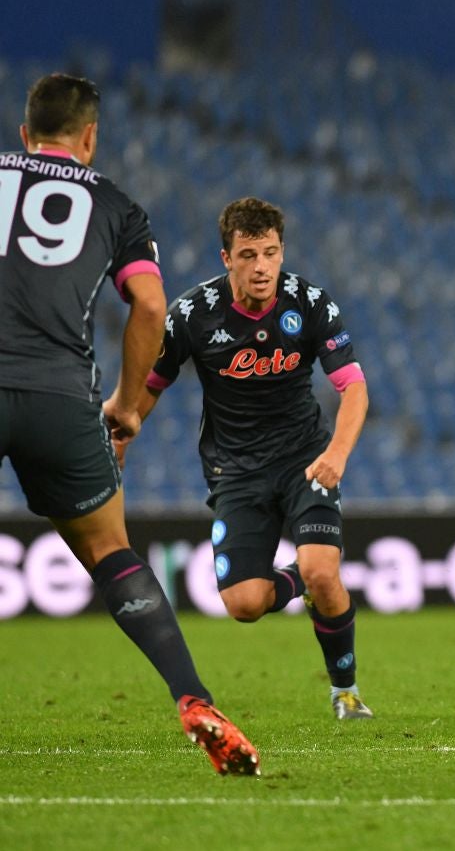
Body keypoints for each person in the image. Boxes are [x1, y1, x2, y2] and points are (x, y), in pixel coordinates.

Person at [0, 74, 259, 774]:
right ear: (89, 138)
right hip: (61, 397)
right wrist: (125, 404)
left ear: (24, 134)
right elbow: (150, 306)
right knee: (111, 551)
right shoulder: (114, 205)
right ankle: (194, 699)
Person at [121, 197, 374, 720]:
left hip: (306, 460)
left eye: (271, 253)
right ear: (226, 258)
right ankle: (300, 580)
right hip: (235, 470)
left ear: (282, 252)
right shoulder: (192, 314)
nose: (262, 267)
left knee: (323, 572)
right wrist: (122, 438)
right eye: (249, 255)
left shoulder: (310, 303)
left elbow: (353, 388)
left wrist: (337, 452)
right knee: (244, 604)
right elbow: (152, 385)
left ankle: (345, 693)